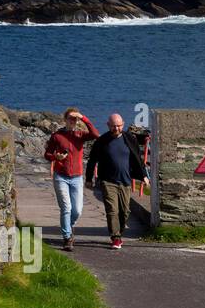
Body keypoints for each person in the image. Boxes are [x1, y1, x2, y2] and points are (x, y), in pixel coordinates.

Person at [86, 112, 149, 250]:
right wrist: (88, 179)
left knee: (125, 211)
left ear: (123, 125)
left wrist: (144, 176)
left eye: (119, 126)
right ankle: (115, 237)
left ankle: (119, 232)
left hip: (125, 180)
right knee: (112, 210)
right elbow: (92, 161)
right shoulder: (102, 141)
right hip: (108, 181)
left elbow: (138, 159)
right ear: (108, 125)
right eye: (113, 126)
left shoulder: (129, 139)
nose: (116, 129)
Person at [43, 107, 98, 251]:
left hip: (77, 177)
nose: (73, 121)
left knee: (77, 210)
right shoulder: (57, 136)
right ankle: (67, 237)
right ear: (65, 119)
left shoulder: (80, 135)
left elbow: (95, 134)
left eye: (75, 119)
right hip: (61, 176)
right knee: (66, 208)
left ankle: (68, 226)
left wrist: (84, 117)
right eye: (70, 118)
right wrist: (56, 157)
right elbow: (47, 154)